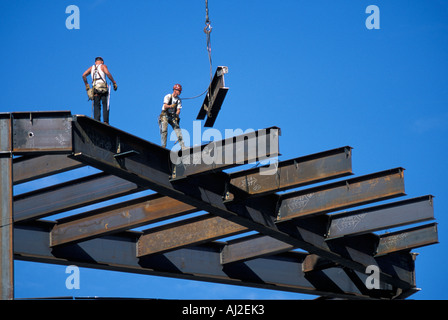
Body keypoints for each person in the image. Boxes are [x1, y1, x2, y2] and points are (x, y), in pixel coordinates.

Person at [82, 57, 117, 124]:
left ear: (95, 62)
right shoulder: (103, 66)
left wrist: (86, 84)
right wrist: (113, 82)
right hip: (103, 88)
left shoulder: (91, 68)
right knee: (105, 104)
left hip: (95, 88)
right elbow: (108, 74)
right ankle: (105, 121)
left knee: (96, 105)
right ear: (102, 61)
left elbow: (84, 75)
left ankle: (96, 121)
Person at [159, 84, 185, 148]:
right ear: (175, 90)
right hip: (165, 115)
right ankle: (163, 146)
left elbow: (178, 110)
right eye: (179, 90)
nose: (179, 92)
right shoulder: (168, 96)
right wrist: (171, 106)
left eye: (180, 91)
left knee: (178, 130)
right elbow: (165, 106)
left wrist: (177, 115)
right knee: (164, 130)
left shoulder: (178, 100)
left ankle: (183, 146)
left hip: (172, 116)